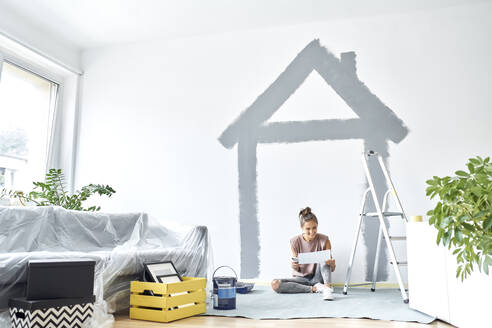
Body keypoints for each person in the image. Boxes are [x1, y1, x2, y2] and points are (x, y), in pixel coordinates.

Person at [271, 207, 336, 301]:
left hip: (318, 277)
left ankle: (327, 289)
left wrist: (332, 264)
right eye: (308, 228)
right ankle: (314, 288)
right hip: (301, 279)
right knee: (275, 284)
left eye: (314, 228)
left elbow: (330, 269)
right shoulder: (294, 241)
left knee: (324, 257)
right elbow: (296, 268)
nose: (311, 232)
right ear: (302, 228)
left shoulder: (324, 240)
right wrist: (294, 266)